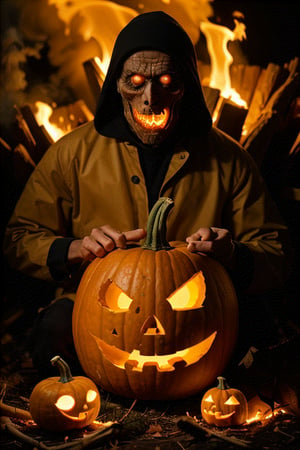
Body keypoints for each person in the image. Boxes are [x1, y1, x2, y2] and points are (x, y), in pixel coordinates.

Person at [3, 11, 291, 379]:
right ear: (117, 85)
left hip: (198, 308)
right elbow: (18, 237)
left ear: (187, 84)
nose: (150, 98)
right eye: (135, 82)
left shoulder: (228, 157)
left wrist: (233, 253)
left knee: (257, 325)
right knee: (55, 330)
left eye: (167, 81)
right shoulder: (72, 153)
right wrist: (73, 249)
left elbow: (277, 252)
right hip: (101, 306)